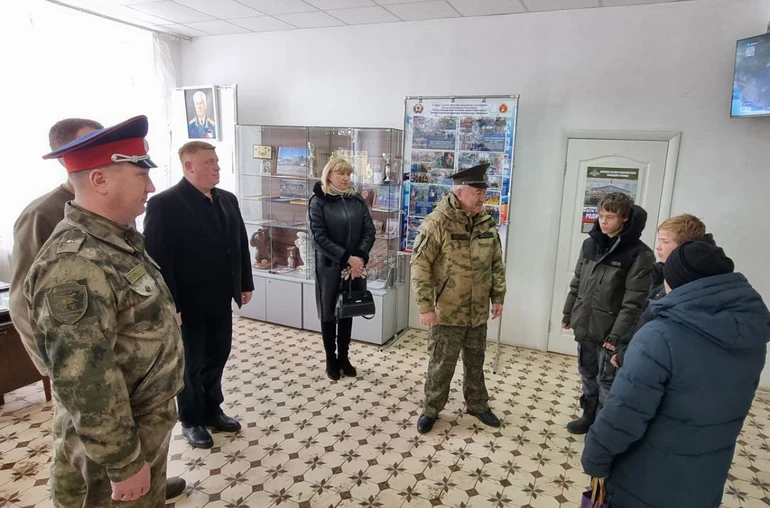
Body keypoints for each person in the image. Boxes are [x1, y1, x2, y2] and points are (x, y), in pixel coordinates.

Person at [11, 118, 186, 502]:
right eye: (141, 174)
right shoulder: (74, 265)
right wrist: (122, 463)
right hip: (113, 442)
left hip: (141, 422)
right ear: (100, 180)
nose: (151, 186)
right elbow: (84, 378)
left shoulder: (116, 239)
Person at [581, 241, 770, 508]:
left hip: (642, 481)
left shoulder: (659, 337)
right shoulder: (751, 336)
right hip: (706, 479)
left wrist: (595, 457)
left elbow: (623, 415)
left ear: (676, 281)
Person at [144, 141, 253, 449]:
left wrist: (244, 283)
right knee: (192, 361)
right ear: (188, 166)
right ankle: (191, 418)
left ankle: (212, 408)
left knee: (218, 354)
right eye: (208, 162)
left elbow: (240, 244)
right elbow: (157, 260)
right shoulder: (165, 204)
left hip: (220, 297)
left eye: (217, 161)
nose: (216, 166)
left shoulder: (227, 200)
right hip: (187, 303)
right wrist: (171, 304)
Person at [411, 163, 506, 434]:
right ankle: (431, 408)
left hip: (477, 311)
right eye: (477, 192)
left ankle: (477, 404)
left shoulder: (486, 223)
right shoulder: (437, 222)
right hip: (447, 311)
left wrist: (498, 296)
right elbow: (420, 267)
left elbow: (496, 263)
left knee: (476, 362)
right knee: (441, 363)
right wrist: (426, 306)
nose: (481, 197)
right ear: (460, 191)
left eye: (483, 191)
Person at [10, 118, 103, 376]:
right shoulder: (41, 215)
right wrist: (56, 365)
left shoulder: (111, 207)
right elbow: (21, 300)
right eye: (91, 145)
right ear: (65, 157)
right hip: (78, 363)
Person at [561, 192, 655, 435]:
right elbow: (577, 281)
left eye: (610, 217)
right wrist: (568, 312)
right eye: (601, 215)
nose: (603, 221)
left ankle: (604, 425)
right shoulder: (590, 244)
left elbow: (635, 301)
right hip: (586, 325)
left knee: (608, 381)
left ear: (624, 218)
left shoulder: (639, 254)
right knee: (587, 373)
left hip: (610, 332)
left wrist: (617, 335)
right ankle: (588, 414)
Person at [612, 213, 714, 368]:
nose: (658, 247)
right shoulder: (663, 272)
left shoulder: (688, 284)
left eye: (665, 242)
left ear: (685, 247)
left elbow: (659, 334)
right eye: (659, 240)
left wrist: (627, 355)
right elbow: (645, 317)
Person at [307, 157, 376, 380]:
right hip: (329, 267)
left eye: (348, 174)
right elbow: (319, 238)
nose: (346, 178)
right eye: (341, 174)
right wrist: (347, 258)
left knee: (347, 309)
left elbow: (369, 231)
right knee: (329, 312)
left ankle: (344, 357)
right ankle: (331, 359)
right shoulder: (318, 202)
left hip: (354, 267)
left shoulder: (356, 200)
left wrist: (360, 258)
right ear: (329, 176)